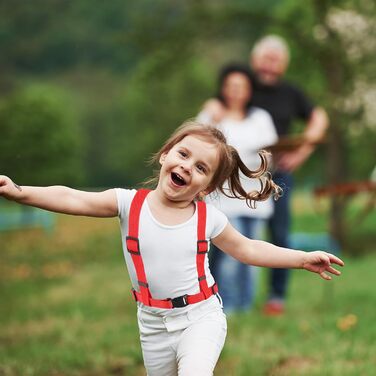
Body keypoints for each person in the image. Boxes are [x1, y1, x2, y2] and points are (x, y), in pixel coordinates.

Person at [0, 121, 342, 376]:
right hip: (151, 323)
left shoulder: (207, 218)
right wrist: (20, 191)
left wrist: (301, 259)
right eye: (182, 154)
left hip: (200, 318)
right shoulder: (127, 204)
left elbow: (248, 249)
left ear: (206, 188)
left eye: (200, 168)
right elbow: (72, 196)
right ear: (165, 155)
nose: (186, 167)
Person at [203, 35, 329, 316]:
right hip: (231, 181)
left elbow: (319, 117)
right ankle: (215, 297)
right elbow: (219, 104)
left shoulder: (290, 92)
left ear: (284, 64)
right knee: (225, 240)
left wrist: (303, 150)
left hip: (275, 175)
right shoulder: (243, 85)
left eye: (276, 60)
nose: (270, 65)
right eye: (266, 58)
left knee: (279, 234)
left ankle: (275, 297)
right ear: (254, 59)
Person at [197, 64, 278, 313]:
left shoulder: (261, 118)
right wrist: (209, 115)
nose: (235, 91)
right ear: (223, 89)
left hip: (256, 200)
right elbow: (199, 149)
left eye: (241, 86)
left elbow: (271, 153)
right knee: (231, 257)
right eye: (230, 86)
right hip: (224, 200)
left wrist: (243, 158)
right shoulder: (213, 117)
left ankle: (246, 306)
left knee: (254, 257)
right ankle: (226, 306)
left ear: (249, 90)